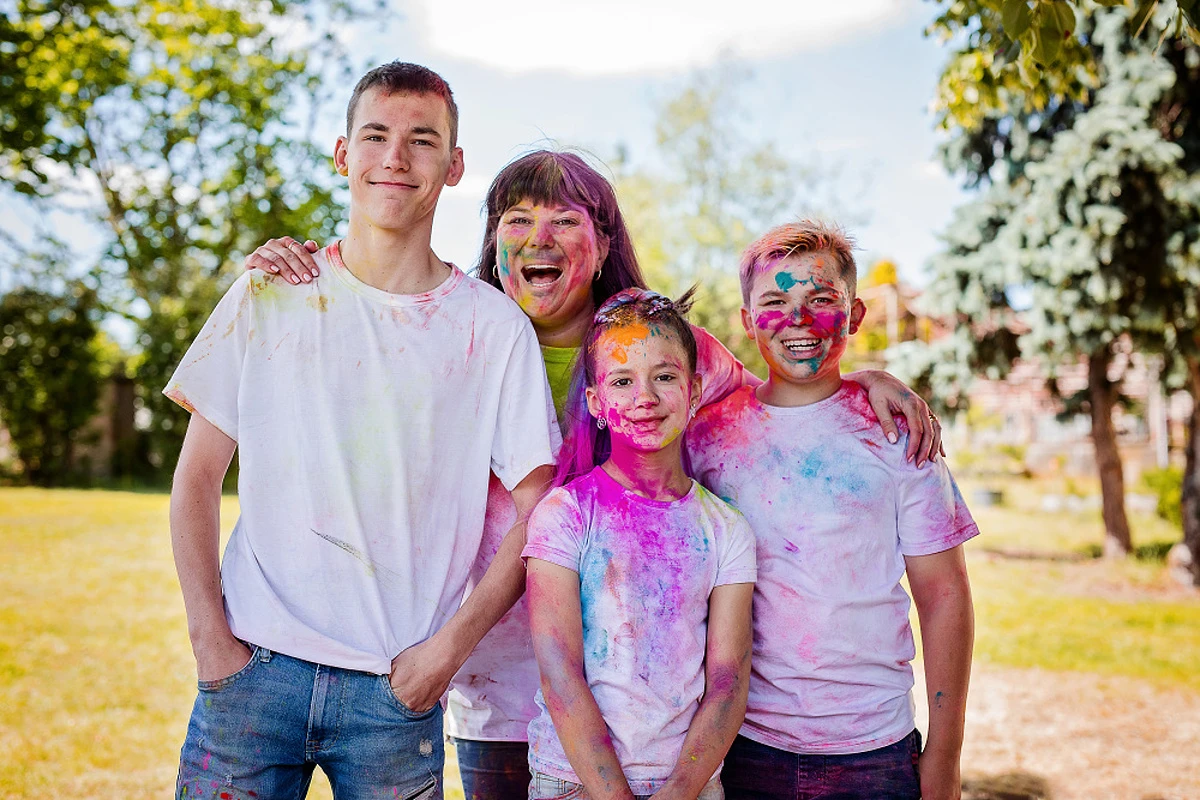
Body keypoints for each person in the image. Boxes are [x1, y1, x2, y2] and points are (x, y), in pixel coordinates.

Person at [245, 151, 945, 799]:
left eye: (564, 221)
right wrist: (306, 267)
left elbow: (779, 402)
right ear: (493, 242)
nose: (538, 238)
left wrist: (860, 380)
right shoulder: (454, 337)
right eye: (517, 220)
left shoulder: (662, 350)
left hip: (648, 716)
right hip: (494, 694)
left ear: (605, 242)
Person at [165, 62, 559, 800]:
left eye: (422, 140)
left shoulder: (494, 327)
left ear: (454, 165)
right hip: (253, 673)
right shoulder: (270, 292)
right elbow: (194, 480)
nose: (396, 158)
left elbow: (540, 515)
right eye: (375, 136)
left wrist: (448, 652)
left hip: (395, 691)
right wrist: (210, 641)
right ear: (344, 155)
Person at [687, 220, 978, 800]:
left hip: (874, 750)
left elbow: (944, 596)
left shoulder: (899, 435)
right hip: (742, 745)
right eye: (776, 302)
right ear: (747, 321)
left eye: (821, 300)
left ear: (856, 314)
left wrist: (943, 756)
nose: (798, 319)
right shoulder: (708, 438)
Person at [525, 288, 756, 800]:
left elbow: (727, 682)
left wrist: (680, 789)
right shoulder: (564, 515)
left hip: (689, 782)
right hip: (574, 780)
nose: (644, 398)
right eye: (623, 381)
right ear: (596, 402)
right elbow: (559, 672)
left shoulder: (726, 529)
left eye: (665, 377)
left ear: (694, 392)